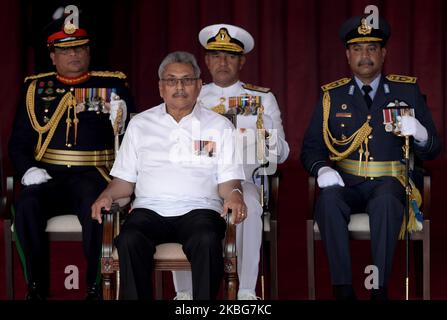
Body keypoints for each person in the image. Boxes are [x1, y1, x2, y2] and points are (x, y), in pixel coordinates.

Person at [300, 16, 440, 300]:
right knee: (327, 201)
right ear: (348, 55)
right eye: (358, 48)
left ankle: (379, 290)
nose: (365, 55)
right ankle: (343, 289)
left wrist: (422, 135)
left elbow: (435, 149)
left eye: (372, 48)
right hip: (347, 180)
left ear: (383, 54)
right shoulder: (332, 95)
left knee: (387, 200)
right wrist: (323, 168)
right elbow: (311, 147)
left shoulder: (407, 91)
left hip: (391, 180)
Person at [91, 51, 247, 300]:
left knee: (207, 240)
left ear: (198, 85)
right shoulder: (140, 124)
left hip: (200, 211)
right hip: (149, 211)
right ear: (161, 87)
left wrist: (236, 196)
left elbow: (229, 182)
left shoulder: (219, 126)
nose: (179, 87)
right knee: (129, 240)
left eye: (186, 80)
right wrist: (106, 195)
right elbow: (124, 182)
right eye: (171, 80)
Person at [8, 14, 133, 300]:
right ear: (53, 56)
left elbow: (129, 138)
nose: (73, 54)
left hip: (93, 173)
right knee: (26, 205)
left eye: (79, 48)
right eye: (65, 50)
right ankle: (36, 286)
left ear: (88, 52)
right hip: (49, 174)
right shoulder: (36, 88)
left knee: (98, 209)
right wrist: (28, 170)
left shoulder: (113, 85)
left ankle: (96, 288)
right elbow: (19, 141)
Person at [172, 24, 290, 300]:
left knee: (247, 203)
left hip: (242, 180)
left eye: (230, 56)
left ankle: (246, 291)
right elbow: (176, 144)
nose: (222, 62)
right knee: (177, 202)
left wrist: (265, 134)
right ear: (206, 60)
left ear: (242, 61)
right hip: (197, 181)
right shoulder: (191, 94)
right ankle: (185, 294)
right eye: (216, 55)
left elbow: (282, 153)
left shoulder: (261, 98)